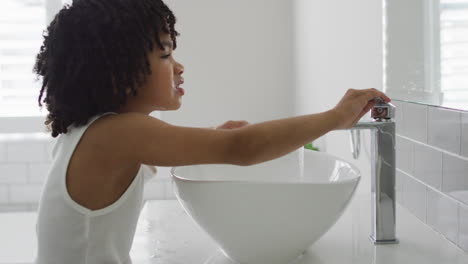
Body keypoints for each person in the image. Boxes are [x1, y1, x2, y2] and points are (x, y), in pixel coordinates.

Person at [32, 0, 391, 263]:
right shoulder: (118, 133)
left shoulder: (89, 132)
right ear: (116, 72)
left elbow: (169, 152)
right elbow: (241, 148)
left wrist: (211, 134)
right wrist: (335, 117)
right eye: (165, 55)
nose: (179, 66)